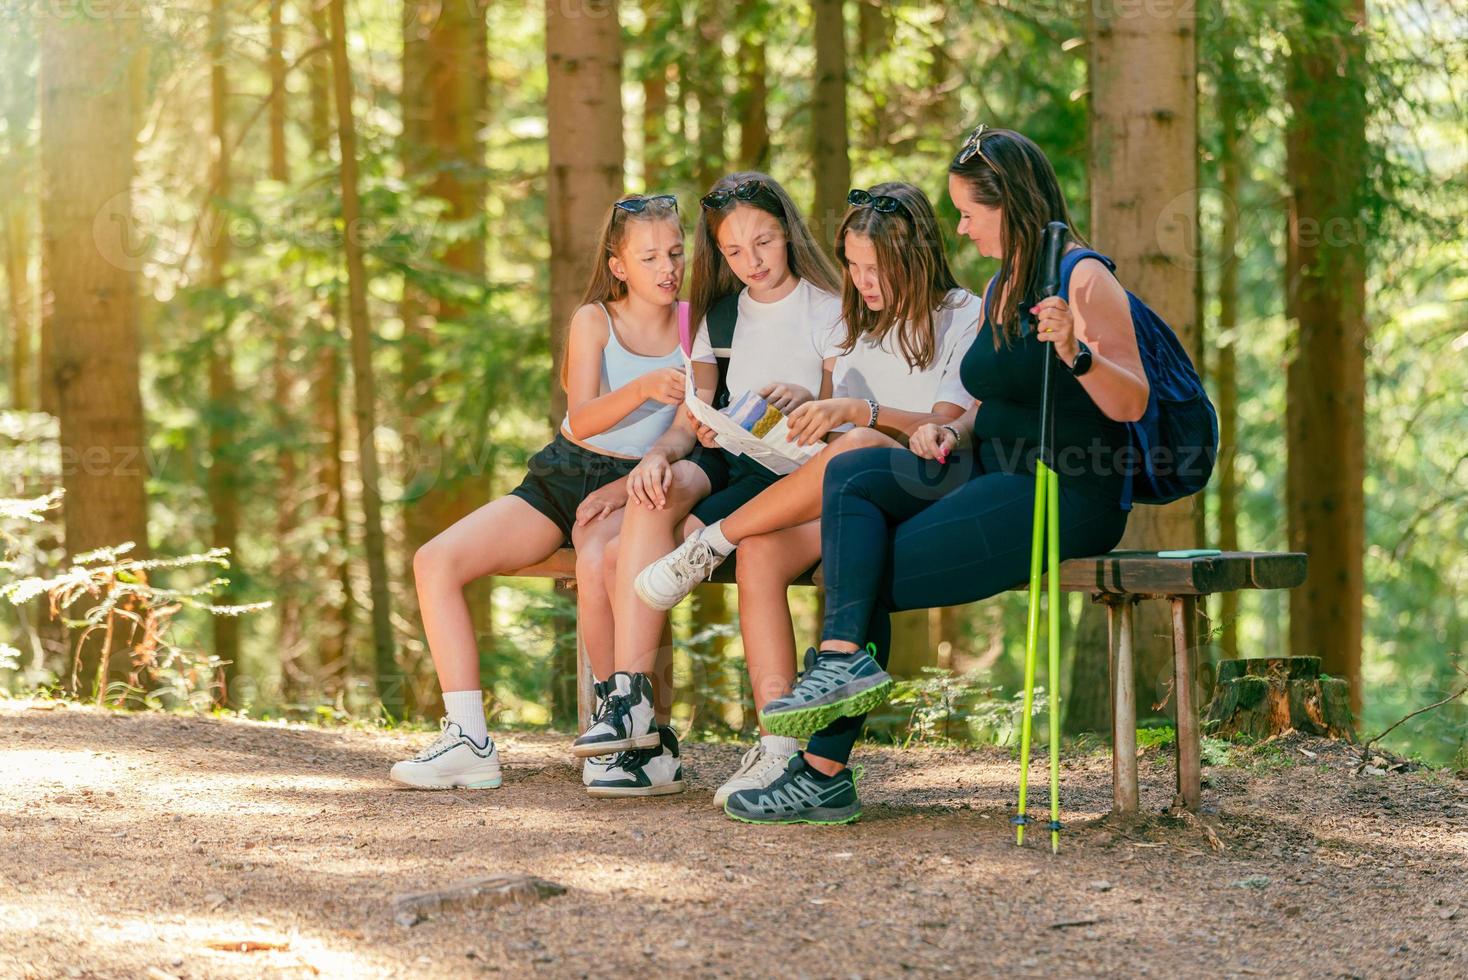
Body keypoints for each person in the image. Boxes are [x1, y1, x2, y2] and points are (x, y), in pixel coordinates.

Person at [723, 126, 1151, 825]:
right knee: (854, 475)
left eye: (968, 213)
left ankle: (822, 772)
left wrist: (1076, 351)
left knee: (863, 572)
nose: (960, 227)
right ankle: (839, 666)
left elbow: (1130, 399)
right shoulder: (1003, 283)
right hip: (990, 468)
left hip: (1067, 489)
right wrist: (950, 428)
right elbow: (988, 399)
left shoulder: (1081, 276)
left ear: (1008, 203)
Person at [631, 183, 980, 807]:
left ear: (920, 254)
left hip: (923, 485)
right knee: (763, 553)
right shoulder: (856, 322)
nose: (864, 281)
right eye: (854, 265)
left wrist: (861, 412)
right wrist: (804, 408)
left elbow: (942, 429)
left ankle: (710, 542)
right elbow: (832, 431)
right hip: (848, 494)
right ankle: (778, 748)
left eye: (879, 268)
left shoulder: (963, 312)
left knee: (859, 444)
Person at [388, 193, 696, 791]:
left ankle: (626, 731)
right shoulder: (594, 321)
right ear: (618, 265)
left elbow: (693, 425)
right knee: (435, 561)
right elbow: (580, 419)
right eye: (650, 256)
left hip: (641, 483)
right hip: (564, 474)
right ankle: (468, 739)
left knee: (600, 560)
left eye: (676, 253)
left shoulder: (694, 325)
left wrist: (651, 463)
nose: (667, 268)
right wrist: (644, 389)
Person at [569, 172, 844, 796]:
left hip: (789, 470)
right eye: (734, 252)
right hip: (732, 456)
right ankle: (631, 699)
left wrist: (806, 398)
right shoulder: (718, 314)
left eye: (764, 243)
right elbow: (692, 415)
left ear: (790, 233)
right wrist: (657, 456)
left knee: (642, 550)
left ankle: (756, 740)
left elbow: (840, 410)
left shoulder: (829, 309)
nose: (752, 262)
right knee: (654, 493)